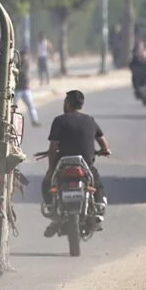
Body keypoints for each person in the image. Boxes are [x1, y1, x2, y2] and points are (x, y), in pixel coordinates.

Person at [41, 90, 111, 238]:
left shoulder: (59, 120)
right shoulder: (90, 120)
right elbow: (103, 143)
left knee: (47, 184)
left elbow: (53, 149)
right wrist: (104, 150)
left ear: (67, 104)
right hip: (85, 164)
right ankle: (99, 208)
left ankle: (54, 217)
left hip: (63, 165)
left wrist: (50, 170)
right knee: (96, 184)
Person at [16, 49, 40, 126]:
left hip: (25, 89)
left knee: (31, 105)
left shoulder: (27, 64)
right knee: (12, 106)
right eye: (24, 56)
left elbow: (28, 76)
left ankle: (34, 121)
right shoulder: (17, 64)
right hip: (18, 89)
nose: (25, 57)